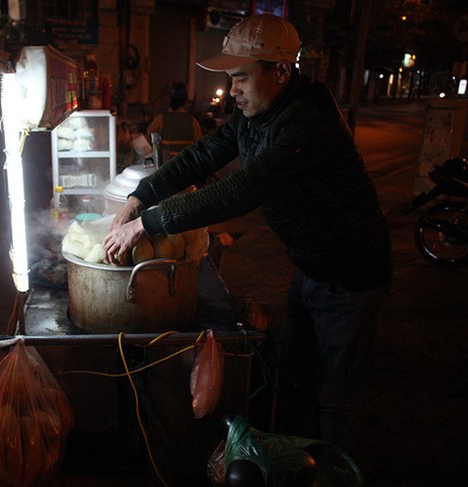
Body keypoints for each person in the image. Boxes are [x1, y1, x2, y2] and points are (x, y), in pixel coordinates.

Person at [102, 13, 392, 461]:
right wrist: (140, 198)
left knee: (336, 395)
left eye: (240, 78)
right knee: (293, 377)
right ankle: (294, 462)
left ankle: (331, 470)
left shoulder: (306, 120)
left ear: (280, 72)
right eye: (228, 79)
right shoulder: (254, 115)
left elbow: (242, 190)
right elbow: (201, 156)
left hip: (349, 274)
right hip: (310, 268)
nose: (231, 90)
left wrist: (150, 223)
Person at [146, 82, 203, 157]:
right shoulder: (192, 121)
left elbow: (149, 140)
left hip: (167, 165)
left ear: (169, 99)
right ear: (185, 100)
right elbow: (199, 145)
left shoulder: (160, 119)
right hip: (187, 164)